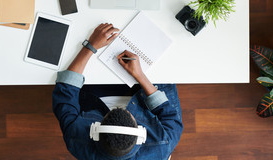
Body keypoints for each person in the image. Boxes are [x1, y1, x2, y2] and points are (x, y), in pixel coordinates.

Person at [52, 23, 183, 160]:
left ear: (96, 129)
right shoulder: (162, 145)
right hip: (142, 94)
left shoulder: (78, 141)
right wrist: (139, 75)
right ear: (140, 131)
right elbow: (169, 114)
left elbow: (65, 92)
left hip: (95, 95)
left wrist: (91, 46)